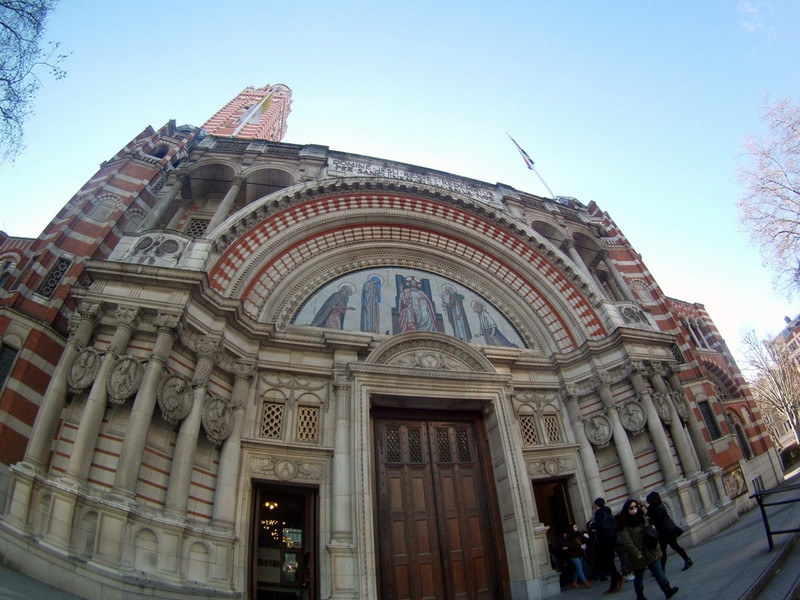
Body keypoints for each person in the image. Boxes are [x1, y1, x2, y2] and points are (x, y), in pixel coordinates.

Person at [618, 499, 679, 600]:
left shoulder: (641, 517)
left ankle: (667, 590)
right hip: (638, 553)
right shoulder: (624, 524)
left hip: (650, 549)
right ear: (626, 509)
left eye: (635, 507)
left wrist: (652, 530)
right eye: (631, 508)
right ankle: (640, 596)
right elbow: (628, 541)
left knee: (658, 571)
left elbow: (648, 528)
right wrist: (636, 553)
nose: (634, 509)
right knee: (639, 576)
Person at [646, 491, 693, 572]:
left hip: (667, 530)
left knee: (670, 548)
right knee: (668, 548)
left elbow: (657, 520)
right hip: (665, 531)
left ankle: (686, 560)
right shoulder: (654, 507)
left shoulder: (658, 507)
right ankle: (686, 560)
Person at [592, 498, 623, 594]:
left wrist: (591, 525)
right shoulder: (608, 511)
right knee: (610, 562)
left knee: (605, 564)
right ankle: (614, 584)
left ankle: (618, 578)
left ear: (597, 505)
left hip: (604, 541)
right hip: (611, 540)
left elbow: (598, 525)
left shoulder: (599, 513)